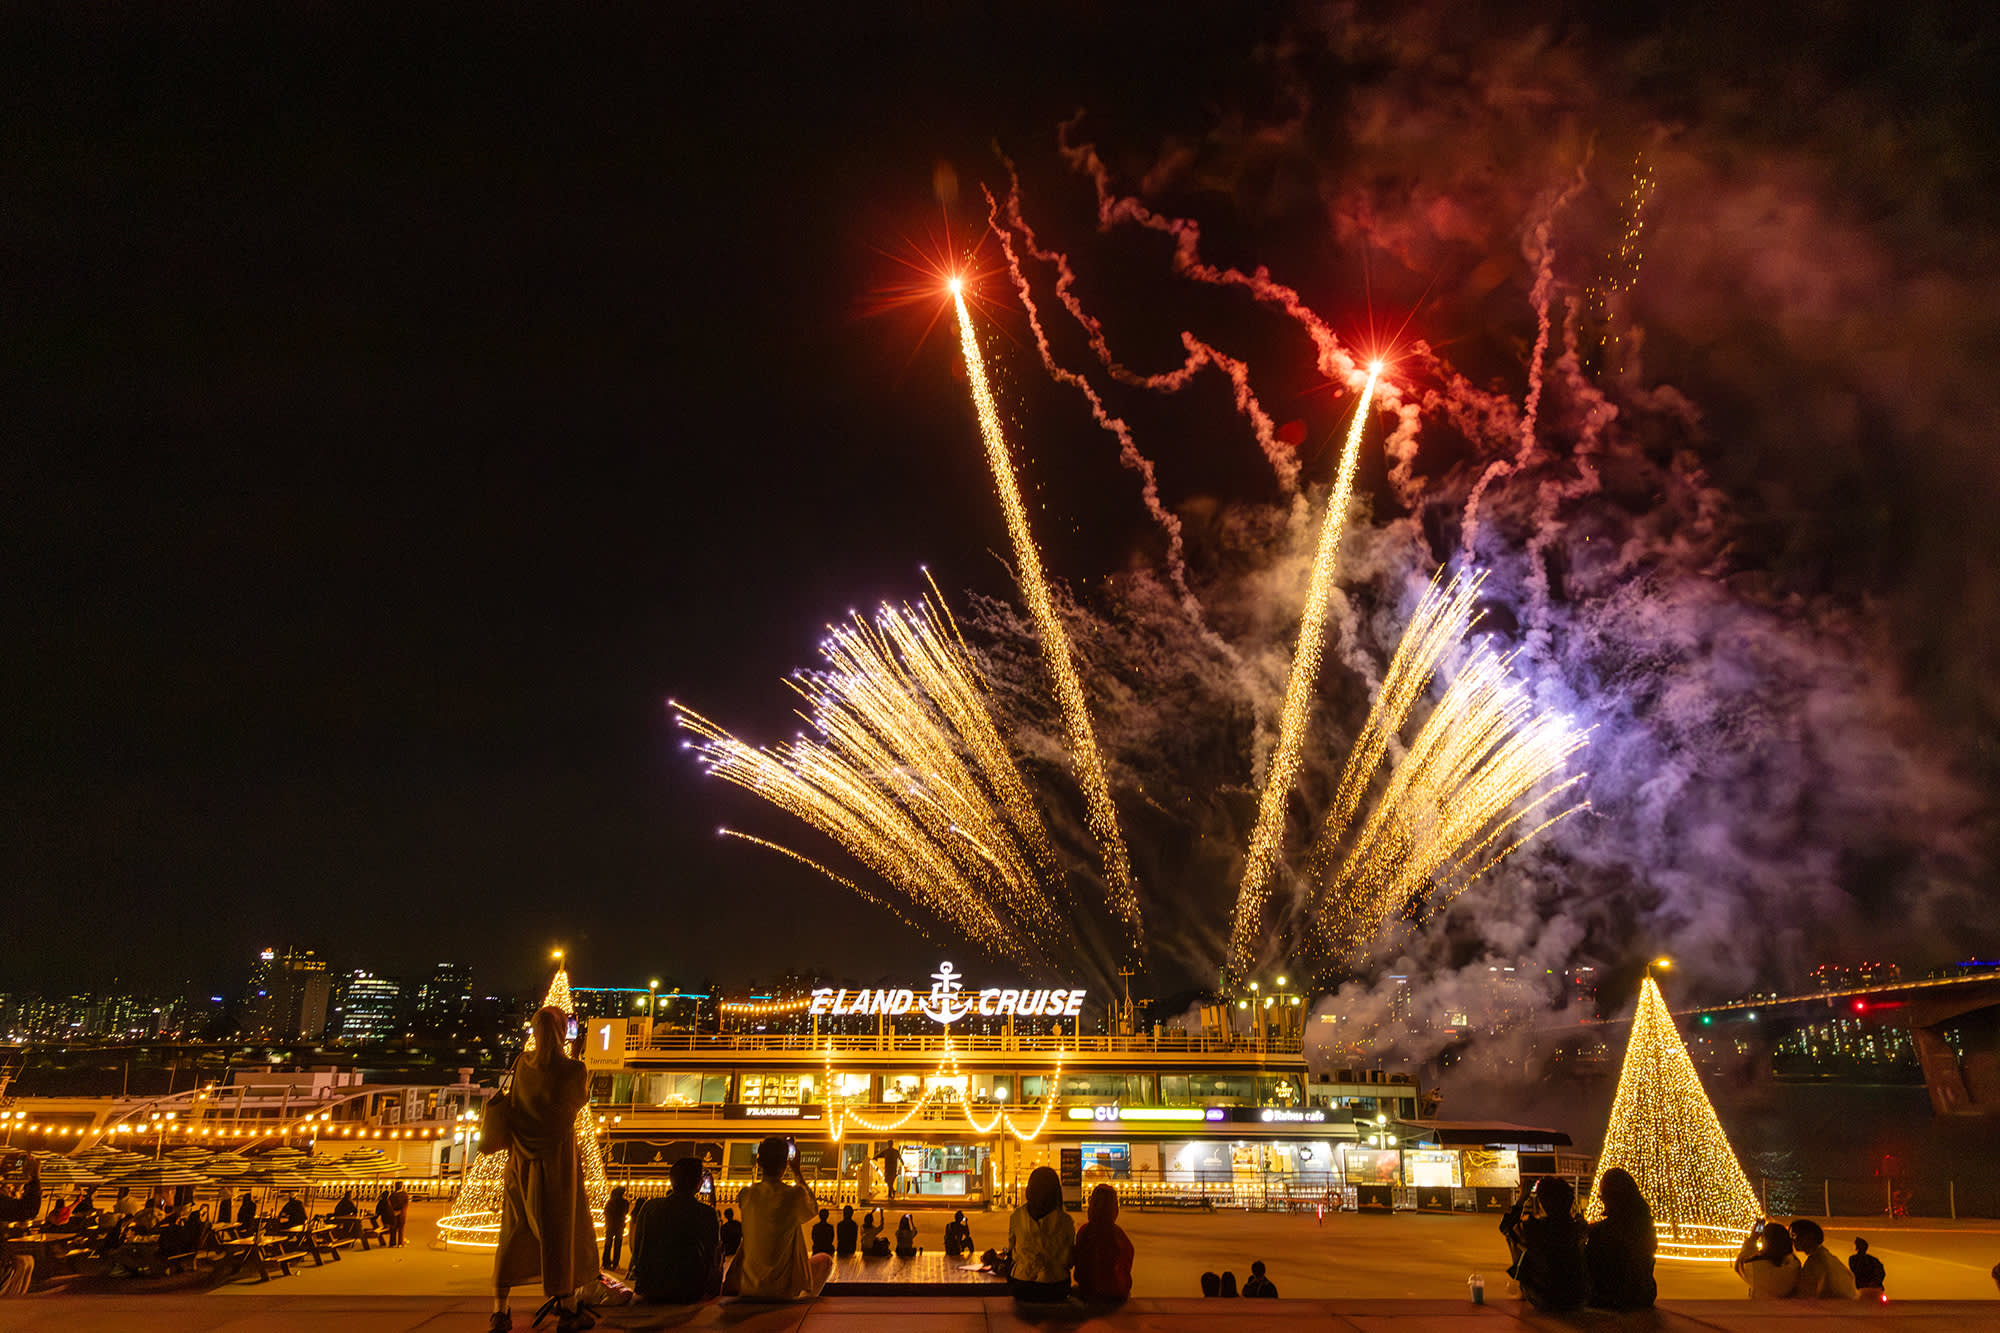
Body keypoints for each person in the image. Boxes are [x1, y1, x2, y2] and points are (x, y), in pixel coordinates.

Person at [491, 1005, 598, 1333]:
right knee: (560, 1232)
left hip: (521, 1163)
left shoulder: (522, 1064)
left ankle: (500, 1311)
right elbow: (577, 1102)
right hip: (557, 1166)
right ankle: (567, 1309)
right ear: (562, 1032)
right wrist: (577, 1057)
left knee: (513, 1232)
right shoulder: (572, 1070)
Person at [726, 1136, 833, 1301]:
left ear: (759, 1163)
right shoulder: (794, 1195)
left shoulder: (746, 1195)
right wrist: (797, 1172)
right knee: (825, 1261)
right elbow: (813, 1208)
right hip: (782, 1291)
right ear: (785, 1164)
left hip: (750, 1288)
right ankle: (801, 1304)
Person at [628, 1157, 720, 1305]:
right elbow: (711, 1254)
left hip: (651, 1286)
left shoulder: (650, 1207)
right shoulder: (706, 1213)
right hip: (689, 1290)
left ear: (672, 1180)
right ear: (698, 1184)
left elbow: (637, 1247)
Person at [1500, 1177, 1587, 1311]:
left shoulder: (1534, 1227)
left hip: (1544, 1297)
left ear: (1542, 1203)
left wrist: (1522, 1199)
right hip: (1576, 1297)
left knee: (1514, 1240)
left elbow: (1506, 1227)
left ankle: (1522, 1285)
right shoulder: (1578, 1227)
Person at [1584, 1168, 1657, 1309]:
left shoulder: (1603, 1232)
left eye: (1602, 1194)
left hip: (1615, 1296)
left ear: (1612, 1196)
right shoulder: (1644, 1225)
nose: (1600, 1199)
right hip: (1645, 1293)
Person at [1006, 1165, 1074, 1303]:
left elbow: (1012, 1250)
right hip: (1056, 1287)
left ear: (1029, 1190)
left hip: (1022, 1285)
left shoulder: (1017, 1216)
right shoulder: (1065, 1221)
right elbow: (1069, 1261)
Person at [1071, 1183, 1133, 1304]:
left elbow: (1077, 1263)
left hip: (1088, 1291)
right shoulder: (1118, 1235)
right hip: (1116, 1294)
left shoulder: (1085, 1231)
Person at [1790, 1219, 1857, 1299]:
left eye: (1794, 1235)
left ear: (1809, 1236)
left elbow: (1805, 1294)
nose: (1792, 1240)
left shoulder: (1816, 1262)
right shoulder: (1827, 1258)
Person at [1733, 1221, 1801, 1299]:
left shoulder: (1755, 1268)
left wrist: (1753, 1238)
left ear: (1765, 1242)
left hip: (1761, 1306)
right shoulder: (1794, 1267)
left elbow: (1740, 1263)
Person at [602, 1186, 630, 1270]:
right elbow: (626, 1212)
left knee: (608, 1244)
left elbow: (606, 1212)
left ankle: (606, 1262)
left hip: (610, 1225)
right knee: (617, 1245)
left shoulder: (610, 1202)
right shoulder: (625, 1202)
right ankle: (615, 1263)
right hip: (619, 1225)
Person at [387, 1183, 410, 1247]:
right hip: (402, 1213)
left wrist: (393, 1210)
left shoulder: (392, 1195)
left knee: (393, 1228)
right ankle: (400, 1243)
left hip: (393, 1213)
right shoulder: (404, 1194)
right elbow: (405, 1204)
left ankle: (392, 1243)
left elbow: (389, 1203)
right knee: (401, 1228)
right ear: (401, 1187)